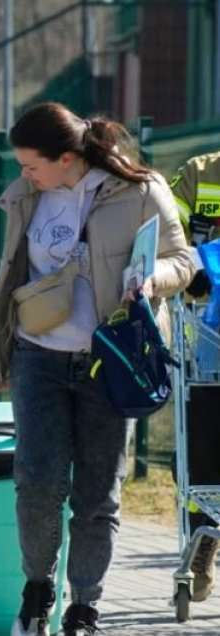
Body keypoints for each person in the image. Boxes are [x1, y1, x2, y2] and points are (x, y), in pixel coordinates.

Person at [0, 102, 194, 636]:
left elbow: (184, 259)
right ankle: (37, 589)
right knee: (36, 482)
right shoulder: (29, 194)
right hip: (38, 356)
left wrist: (150, 281)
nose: (24, 173)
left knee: (97, 494)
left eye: (32, 164)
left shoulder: (139, 189)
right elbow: (11, 278)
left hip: (112, 360)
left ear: (66, 157)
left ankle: (85, 606)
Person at [168, 151, 220, 601]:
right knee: (203, 441)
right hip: (207, 330)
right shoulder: (200, 175)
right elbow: (167, 234)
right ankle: (203, 539)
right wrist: (191, 275)